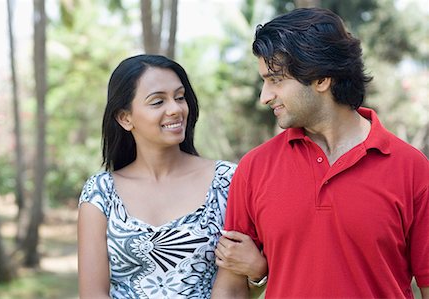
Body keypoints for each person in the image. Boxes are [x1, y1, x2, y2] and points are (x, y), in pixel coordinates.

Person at [211, 7, 429, 299]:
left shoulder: (412, 168)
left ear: (322, 79)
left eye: (275, 80)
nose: (264, 96)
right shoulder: (254, 168)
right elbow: (231, 288)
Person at [77, 54, 267, 299]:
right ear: (125, 118)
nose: (176, 109)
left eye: (179, 97)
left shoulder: (227, 181)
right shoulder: (100, 193)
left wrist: (258, 272)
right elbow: (92, 294)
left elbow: (239, 284)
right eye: (158, 102)